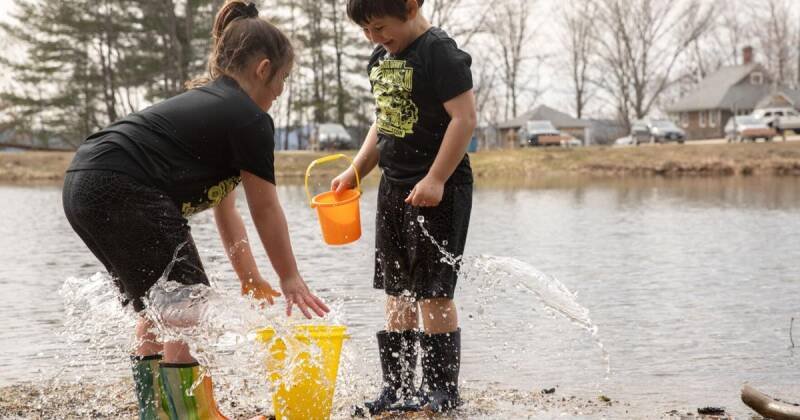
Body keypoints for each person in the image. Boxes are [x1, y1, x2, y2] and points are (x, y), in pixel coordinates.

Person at [61, 2, 329, 419]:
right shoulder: (248, 118)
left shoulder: (217, 113)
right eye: (283, 78)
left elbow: (229, 212)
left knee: (157, 306)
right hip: (120, 184)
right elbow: (266, 207)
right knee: (187, 308)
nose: (280, 90)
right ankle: (194, 415)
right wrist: (290, 277)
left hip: (85, 182)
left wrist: (251, 277)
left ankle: (158, 414)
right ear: (262, 69)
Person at [334, 0, 476, 415]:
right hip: (394, 187)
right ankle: (396, 387)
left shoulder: (439, 51)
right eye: (366, 31)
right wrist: (356, 170)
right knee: (397, 292)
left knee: (433, 292)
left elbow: (464, 119)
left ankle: (441, 391)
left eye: (380, 27)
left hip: (440, 188)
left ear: (411, 7)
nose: (375, 38)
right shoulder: (382, 57)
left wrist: (435, 178)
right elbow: (385, 119)